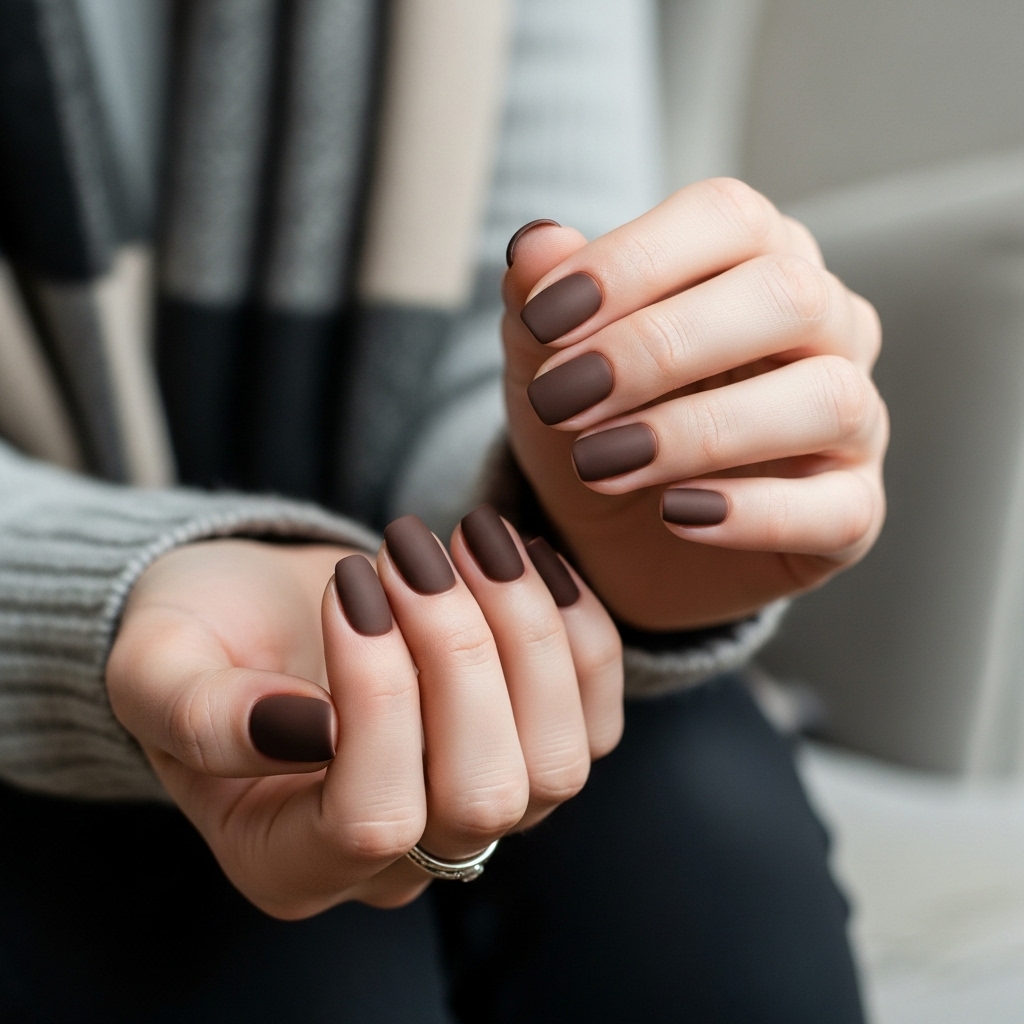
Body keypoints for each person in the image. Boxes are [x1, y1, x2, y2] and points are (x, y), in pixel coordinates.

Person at [0, 1, 886, 1020]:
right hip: (44, 623)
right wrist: (131, 587)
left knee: (698, 827)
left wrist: (576, 502)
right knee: (283, 958)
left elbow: (502, 299)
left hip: (352, 582)